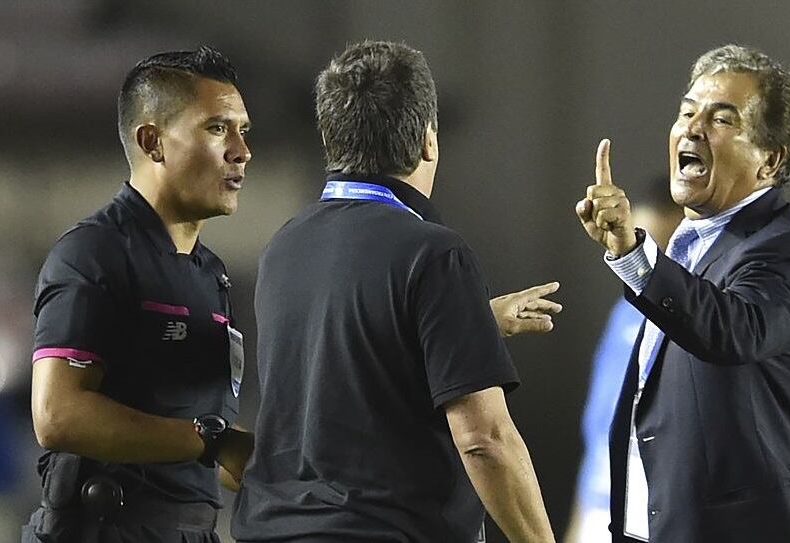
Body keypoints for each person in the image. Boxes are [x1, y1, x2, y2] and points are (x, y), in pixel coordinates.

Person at [232, 40, 558, 543]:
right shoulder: (432, 254)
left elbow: (351, 366)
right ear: (429, 140)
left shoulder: (283, 249)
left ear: (330, 137)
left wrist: (472, 323)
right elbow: (484, 440)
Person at [575, 44, 790, 542]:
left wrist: (635, 252)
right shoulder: (688, 249)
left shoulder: (786, 249)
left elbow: (732, 331)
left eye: (721, 119)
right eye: (686, 112)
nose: (692, 128)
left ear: (770, 159)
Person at [24, 46, 255, 543]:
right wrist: (211, 442)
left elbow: (184, 440)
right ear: (153, 142)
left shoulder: (210, 274)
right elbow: (57, 415)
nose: (240, 150)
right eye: (217, 128)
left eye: (243, 131)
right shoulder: (94, 252)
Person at [564, 182, 683, 543]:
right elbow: (600, 437)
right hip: (603, 521)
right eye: (639, 250)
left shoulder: (733, 327)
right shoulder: (624, 317)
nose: (646, 271)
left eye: (662, 256)